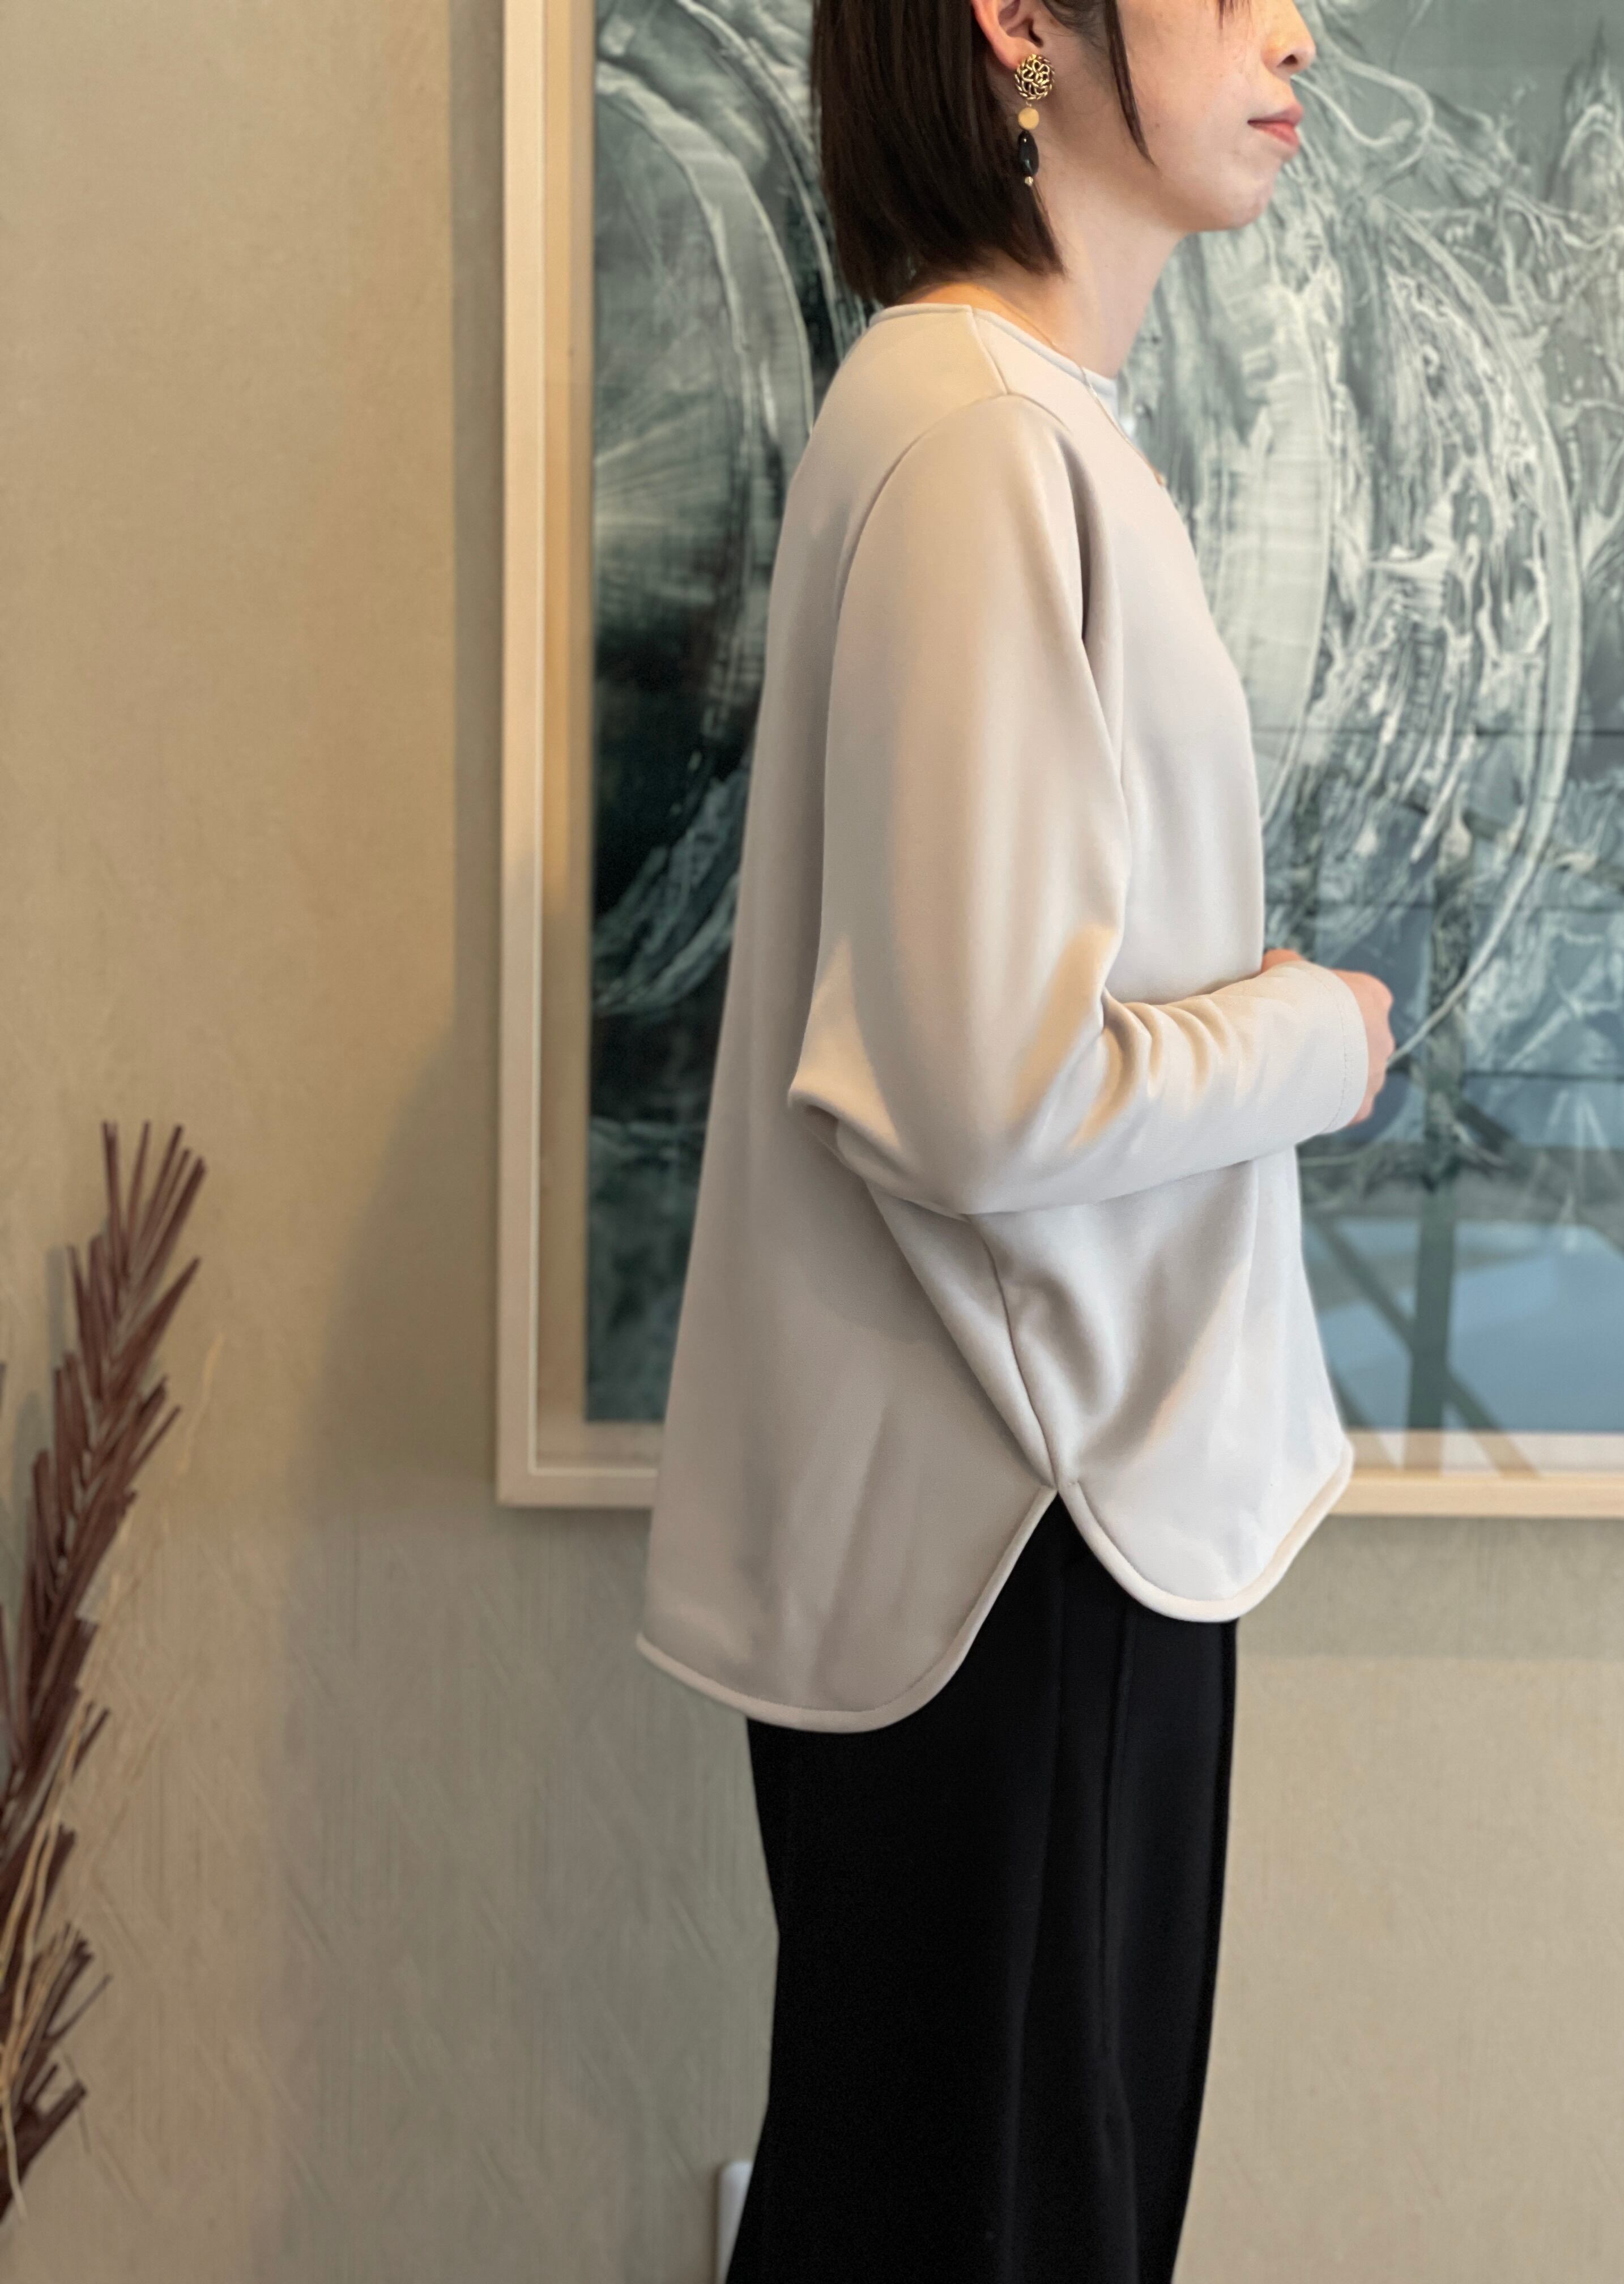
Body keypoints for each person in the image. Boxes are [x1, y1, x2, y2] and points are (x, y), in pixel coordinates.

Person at [637, 0, 1397, 2272]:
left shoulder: (1007, 418)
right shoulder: (981, 438)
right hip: (1021, 1548)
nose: (1299, 32)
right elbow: (982, 1095)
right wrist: (1315, 1036)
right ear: (1017, 20)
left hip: (1029, 1538)